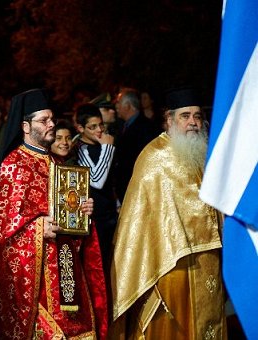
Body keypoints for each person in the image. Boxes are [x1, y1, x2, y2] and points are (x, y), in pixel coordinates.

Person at [0, 89, 108, 339]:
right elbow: (0, 231)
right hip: (37, 284)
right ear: (25, 126)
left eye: (51, 119)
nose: (51, 124)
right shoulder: (14, 165)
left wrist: (83, 215)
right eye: (44, 120)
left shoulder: (57, 163)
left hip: (66, 272)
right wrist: (36, 229)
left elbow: (72, 225)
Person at [110, 87, 226, 339]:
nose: (193, 122)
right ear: (170, 119)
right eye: (185, 116)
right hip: (170, 267)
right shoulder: (154, 157)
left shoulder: (207, 155)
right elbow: (136, 223)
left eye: (197, 116)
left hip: (209, 261)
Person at [73, 103, 116, 269]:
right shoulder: (80, 150)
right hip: (95, 220)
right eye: (92, 127)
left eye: (100, 125)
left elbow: (112, 180)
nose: (99, 130)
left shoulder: (104, 143)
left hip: (111, 215)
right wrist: (107, 148)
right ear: (80, 128)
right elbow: (97, 180)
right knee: (99, 268)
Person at [114, 87, 159, 203]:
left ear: (127, 105)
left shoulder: (146, 128)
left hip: (140, 191)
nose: (116, 107)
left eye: (118, 103)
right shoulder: (123, 126)